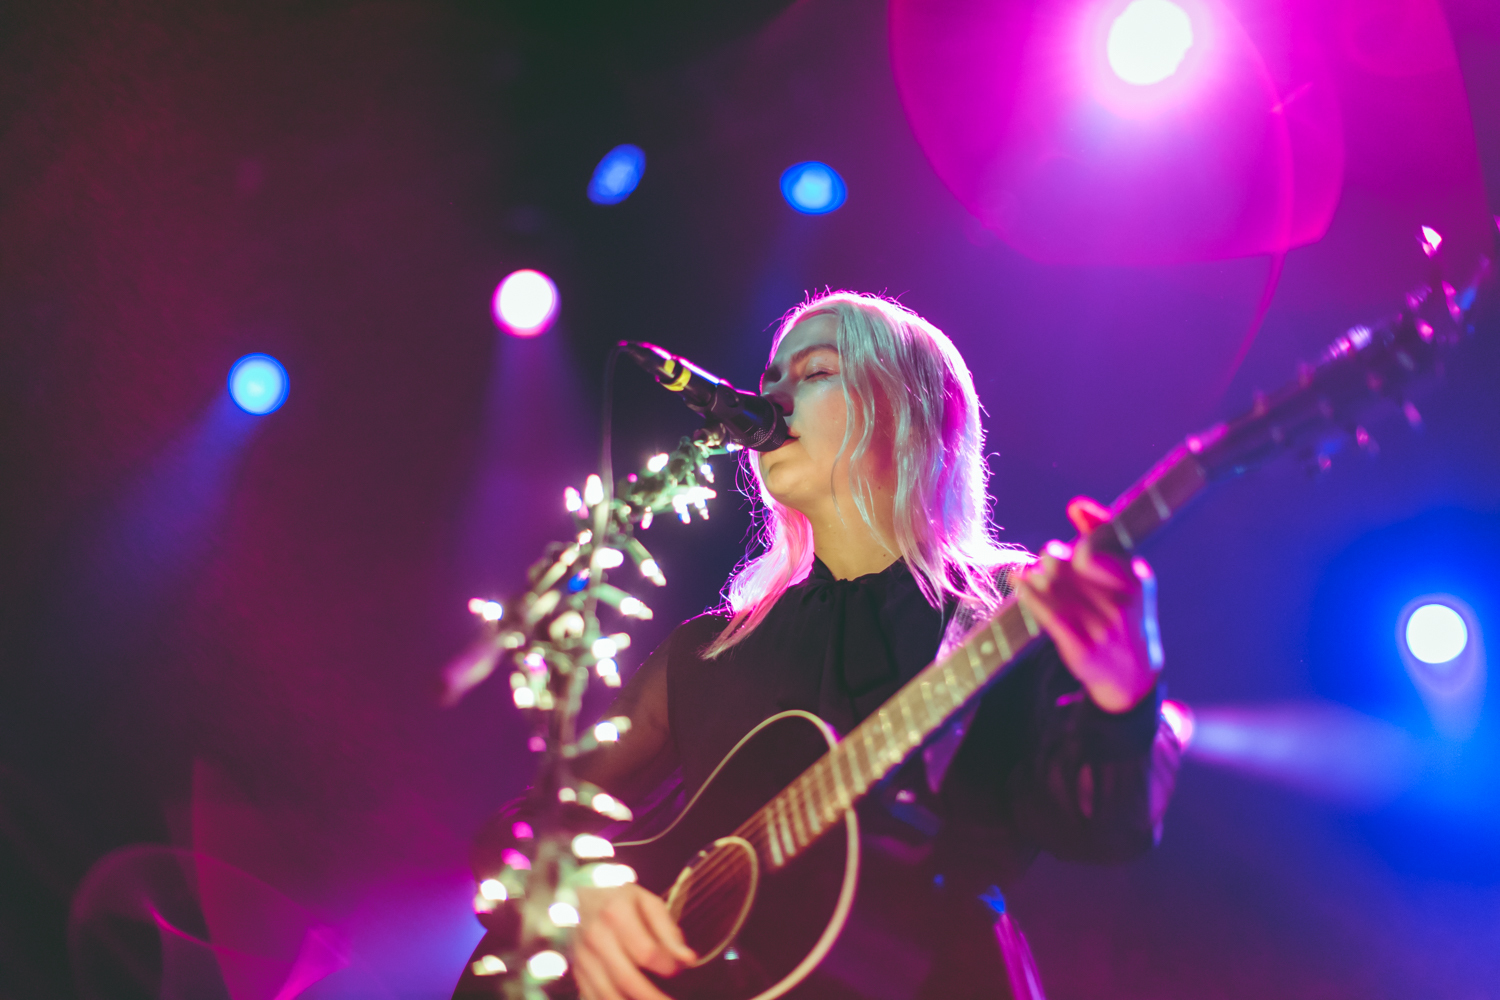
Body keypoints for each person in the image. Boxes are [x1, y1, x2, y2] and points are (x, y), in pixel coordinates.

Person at [467, 292, 1181, 1000]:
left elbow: (1100, 831)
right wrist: (584, 895)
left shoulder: (1011, 611)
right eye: (769, 380)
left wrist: (1125, 698)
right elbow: (532, 823)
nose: (771, 401)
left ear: (912, 411)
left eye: (812, 373)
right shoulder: (707, 653)